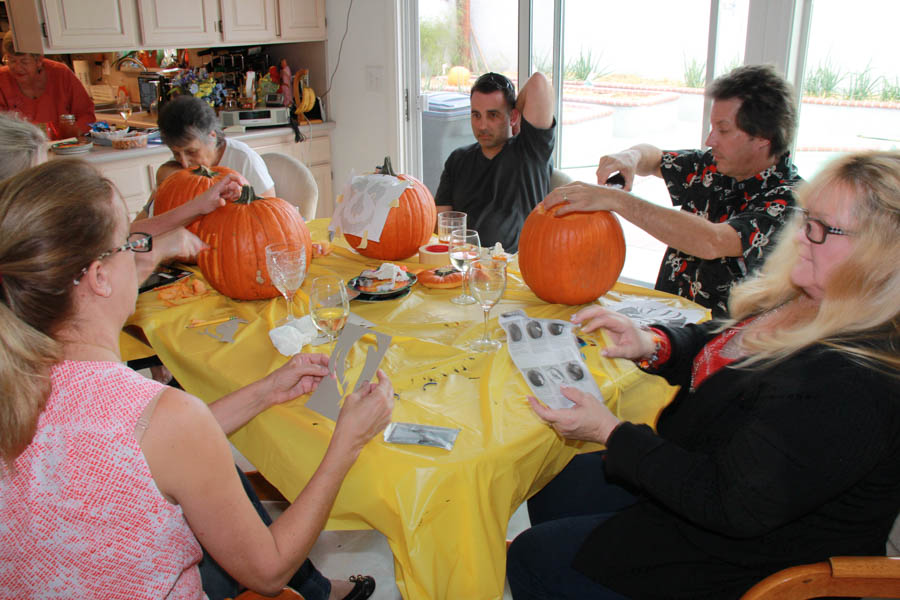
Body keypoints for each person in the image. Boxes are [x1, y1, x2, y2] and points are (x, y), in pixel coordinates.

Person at [507, 150, 900, 599]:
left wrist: (611, 432)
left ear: (880, 256)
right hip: (703, 478)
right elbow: (734, 344)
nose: (802, 235)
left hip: (743, 555)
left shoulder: (851, 381)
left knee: (534, 555)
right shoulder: (813, 300)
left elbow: (728, 502)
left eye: (821, 228)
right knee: (551, 480)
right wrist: (655, 343)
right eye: (805, 218)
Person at [0, 159, 392, 600]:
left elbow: (144, 450)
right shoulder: (168, 418)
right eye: (129, 244)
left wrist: (265, 391)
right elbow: (268, 571)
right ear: (98, 278)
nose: (142, 253)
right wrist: (348, 443)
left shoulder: (16, 378)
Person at [543, 65, 802, 316]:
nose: (710, 140)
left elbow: (713, 241)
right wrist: (630, 157)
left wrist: (616, 200)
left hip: (721, 350)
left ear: (762, 138)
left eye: (723, 130)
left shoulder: (792, 203)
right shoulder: (714, 165)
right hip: (665, 329)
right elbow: (655, 159)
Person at [434, 71, 555, 253]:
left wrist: (518, 117)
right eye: (476, 115)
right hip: (466, 265)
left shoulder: (530, 151)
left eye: (493, 115)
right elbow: (441, 225)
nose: (482, 126)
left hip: (518, 268)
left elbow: (539, 83)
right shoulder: (457, 159)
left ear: (513, 116)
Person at [155, 95, 275, 198]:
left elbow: (269, 211)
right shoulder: (174, 169)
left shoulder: (243, 159)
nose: (184, 164)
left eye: (192, 152)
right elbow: (151, 212)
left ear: (212, 136)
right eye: (176, 154)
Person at [0, 31, 95, 139]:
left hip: (64, 147)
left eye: (24, 62)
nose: (17, 67)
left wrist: (73, 134)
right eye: (11, 61)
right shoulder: (2, 79)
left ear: (39, 60)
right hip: (21, 149)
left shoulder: (61, 74)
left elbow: (86, 114)